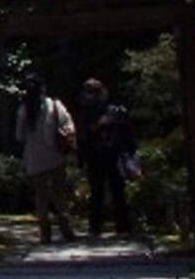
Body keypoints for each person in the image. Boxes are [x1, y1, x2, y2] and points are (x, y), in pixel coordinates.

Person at [16, 81, 79, 244]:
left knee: (41, 197)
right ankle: (67, 230)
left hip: (34, 159)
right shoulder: (55, 105)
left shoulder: (24, 110)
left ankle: (45, 234)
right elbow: (69, 126)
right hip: (56, 156)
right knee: (59, 195)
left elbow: (19, 136)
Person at [80, 77, 138, 237]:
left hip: (105, 154)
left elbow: (85, 135)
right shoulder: (100, 111)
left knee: (105, 191)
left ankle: (104, 227)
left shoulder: (113, 111)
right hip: (106, 154)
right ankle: (116, 227)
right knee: (111, 191)